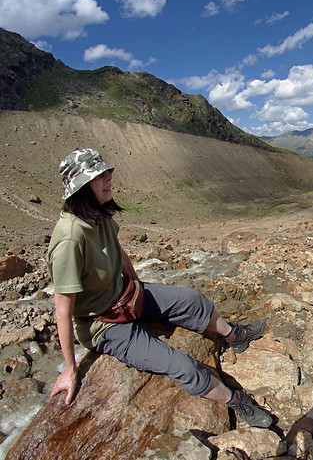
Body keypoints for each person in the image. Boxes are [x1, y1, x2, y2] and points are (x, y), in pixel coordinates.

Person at [45, 148, 272, 428]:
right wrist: (70, 369)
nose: (109, 177)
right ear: (81, 187)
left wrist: (141, 291)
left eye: (107, 172)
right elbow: (62, 309)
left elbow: (120, 253)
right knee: (183, 366)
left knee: (193, 299)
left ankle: (234, 335)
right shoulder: (69, 239)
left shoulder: (97, 215)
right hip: (103, 325)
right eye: (99, 175)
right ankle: (236, 400)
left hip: (125, 295)